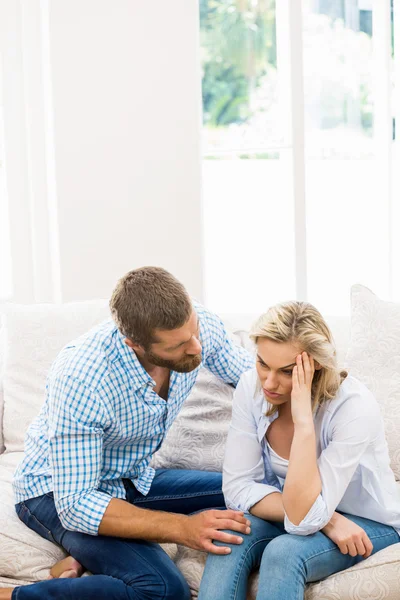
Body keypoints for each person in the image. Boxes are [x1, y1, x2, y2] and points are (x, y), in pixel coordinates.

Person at [1, 267, 254, 600]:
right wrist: (182, 528)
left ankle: (87, 557)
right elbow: (76, 504)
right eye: (179, 345)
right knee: (164, 590)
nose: (196, 348)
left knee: (252, 492)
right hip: (55, 492)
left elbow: (253, 381)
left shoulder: (195, 328)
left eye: (194, 332)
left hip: (131, 479)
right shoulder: (82, 377)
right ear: (135, 344)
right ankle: (15, 595)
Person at [198, 301, 400, 600]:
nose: (269, 381)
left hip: (369, 520)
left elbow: (303, 521)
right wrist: (329, 520)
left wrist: (304, 422)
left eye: (287, 371)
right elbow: (238, 488)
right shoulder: (251, 387)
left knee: (284, 553)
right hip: (297, 507)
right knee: (229, 536)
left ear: (315, 364)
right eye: (263, 363)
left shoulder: (353, 408)